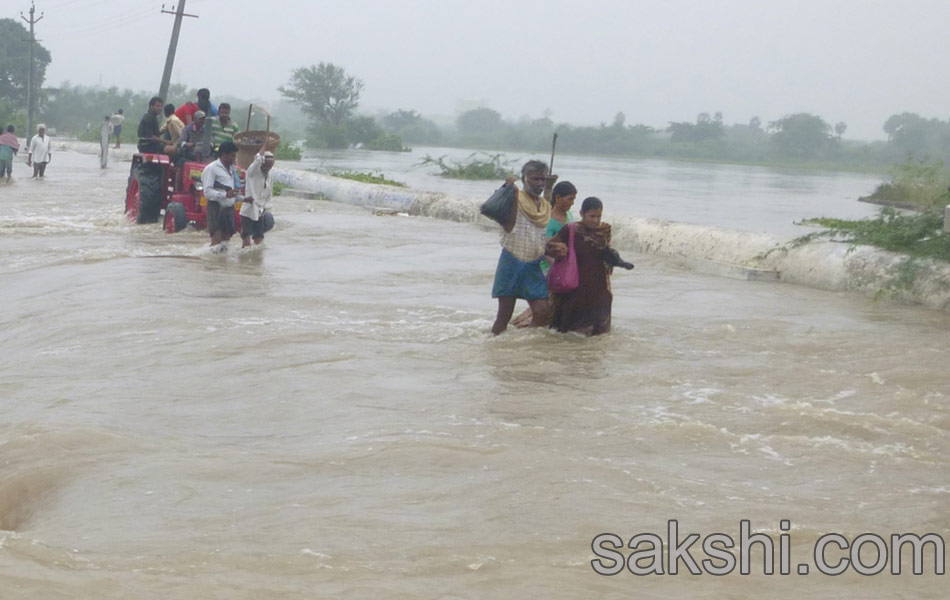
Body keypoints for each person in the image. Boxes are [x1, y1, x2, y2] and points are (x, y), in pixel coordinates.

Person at [546, 197, 632, 336]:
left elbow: (607, 253)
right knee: (567, 335)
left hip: (598, 290)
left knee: (598, 337)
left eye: (599, 216)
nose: (595, 220)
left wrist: (621, 262)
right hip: (575, 290)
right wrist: (557, 249)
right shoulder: (571, 229)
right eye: (592, 216)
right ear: (581, 213)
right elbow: (549, 247)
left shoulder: (604, 230)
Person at [490, 160, 558, 335]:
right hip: (512, 260)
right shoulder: (514, 198)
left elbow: (544, 223)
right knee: (504, 315)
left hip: (534, 263)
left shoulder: (544, 206)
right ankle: (494, 346)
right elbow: (505, 223)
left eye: (543, 180)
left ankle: (524, 345)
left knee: (543, 312)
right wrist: (507, 189)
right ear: (524, 179)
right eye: (535, 179)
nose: (539, 184)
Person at [201, 140, 242, 251]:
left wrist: (243, 198)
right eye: (232, 156)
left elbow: (233, 190)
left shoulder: (232, 170)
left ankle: (222, 266)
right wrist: (225, 195)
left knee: (226, 241)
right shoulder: (212, 168)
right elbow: (207, 192)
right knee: (216, 240)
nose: (234, 159)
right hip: (216, 207)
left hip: (229, 207)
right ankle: (213, 265)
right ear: (224, 155)